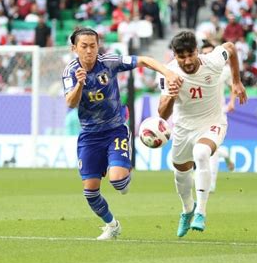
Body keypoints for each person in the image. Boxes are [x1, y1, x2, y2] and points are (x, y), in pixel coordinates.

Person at [62, 27, 182, 240]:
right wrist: (80, 83)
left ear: (98, 46)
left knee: (118, 182)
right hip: (89, 135)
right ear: (74, 48)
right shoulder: (70, 71)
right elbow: (71, 103)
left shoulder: (109, 62)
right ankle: (112, 225)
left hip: (115, 128)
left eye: (93, 46)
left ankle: (123, 167)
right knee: (90, 192)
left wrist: (168, 72)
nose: (89, 50)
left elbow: (144, 60)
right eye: (84, 46)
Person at [158, 31, 247, 237]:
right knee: (180, 171)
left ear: (197, 51)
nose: (187, 61)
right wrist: (171, 94)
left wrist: (236, 81)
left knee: (201, 153)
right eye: (182, 57)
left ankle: (201, 211)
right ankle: (188, 210)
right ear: (175, 56)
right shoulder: (168, 73)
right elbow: (162, 114)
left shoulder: (213, 61)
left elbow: (231, 48)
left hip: (213, 123)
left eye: (191, 54)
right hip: (183, 128)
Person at [200, 42, 236, 193]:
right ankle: (226, 155)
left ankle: (211, 184)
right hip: (199, 115)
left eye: (210, 52)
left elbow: (233, 85)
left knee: (212, 150)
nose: (208, 56)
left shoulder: (224, 70)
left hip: (217, 114)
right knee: (201, 148)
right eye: (205, 53)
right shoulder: (197, 70)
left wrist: (232, 102)